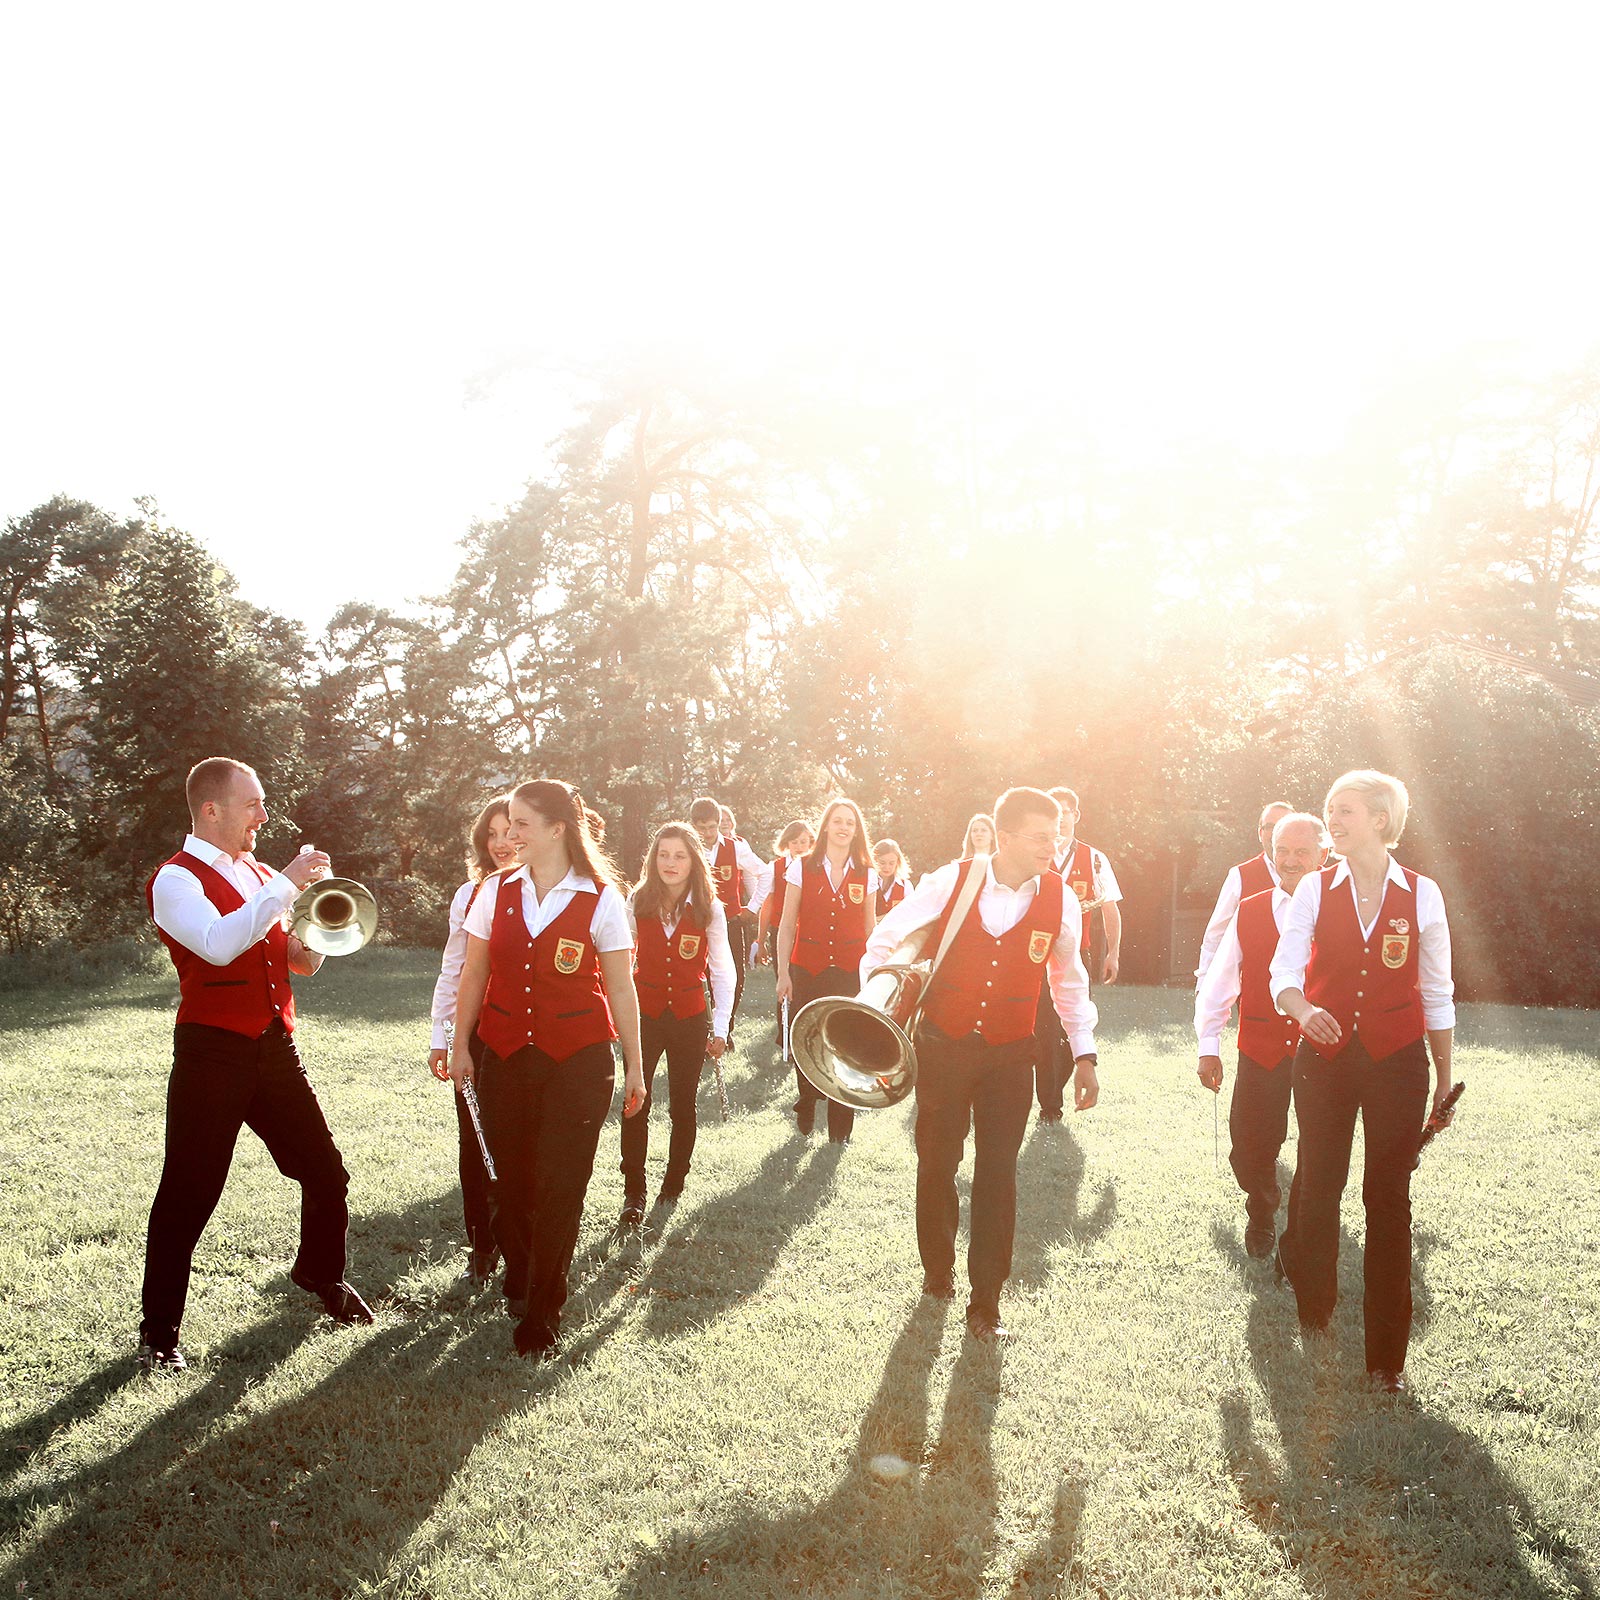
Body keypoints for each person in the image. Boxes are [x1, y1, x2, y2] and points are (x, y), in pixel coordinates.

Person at [140, 757, 373, 1371]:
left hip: (275, 1047)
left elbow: (299, 963)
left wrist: (320, 923)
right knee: (189, 1193)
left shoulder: (262, 873)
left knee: (326, 1171)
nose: (263, 817)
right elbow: (217, 946)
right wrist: (286, 885)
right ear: (211, 810)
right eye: (253, 805)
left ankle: (320, 1277)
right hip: (212, 1052)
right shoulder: (175, 879)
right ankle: (158, 1333)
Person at [865, 787, 1098, 1342]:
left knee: (998, 1172)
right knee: (937, 1160)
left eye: (1057, 835)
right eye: (1043, 836)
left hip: (1012, 1055)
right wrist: (875, 1010)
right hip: (943, 1046)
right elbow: (885, 939)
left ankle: (986, 1301)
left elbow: (1069, 981)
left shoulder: (1061, 898)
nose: (1053, 846)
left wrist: (1084, 1053)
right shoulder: (952, 879)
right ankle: (937, 1274)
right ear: (1007, 835)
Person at [1269, 770, 1456, 1394]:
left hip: (1399, 1062)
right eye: (1330, 810)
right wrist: (1303, 1011)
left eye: (1344, 810)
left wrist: (1443, 1080)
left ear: (1380, 819)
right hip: (1322, 1060)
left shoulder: (1422, 894)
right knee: (1319, 1187)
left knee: (1388, 1201)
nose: (1333, 821)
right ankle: (1314, 1317)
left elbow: (1437, 991)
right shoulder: (1315, 890)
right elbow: (1283, 971)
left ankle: (1385, 1360)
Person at [450, 778, 647, 1358]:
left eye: (521, 825)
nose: (509, 836)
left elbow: (620, 988)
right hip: (505, 1055)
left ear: (558, 828)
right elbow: (474, 974)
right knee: (510, 1182)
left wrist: (635, 1067)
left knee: (563, 1185)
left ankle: (542, 1310)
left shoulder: (602, 898)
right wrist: (459, 1044)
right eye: (507, 825)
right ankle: (523, 1270)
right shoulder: (494, 892)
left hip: (579, 1062)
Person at [1194, 812, 1329, 1258]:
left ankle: (1298, 1233)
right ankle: (1263, 1201)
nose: (1290, 861)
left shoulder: (1342, 911)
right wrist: (1208, 1046)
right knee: (1247, 1145)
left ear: (1323, 856)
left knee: (1319, 1148)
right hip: (1260, 1045)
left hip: (1321, 1050)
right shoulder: (1249, 909)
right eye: (1282, 852)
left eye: (1301, 852)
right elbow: (1221, 980)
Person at [619, 822, 735, 1226]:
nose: (670, 863)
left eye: (680, 855)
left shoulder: (710, 907)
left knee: (684, 1106)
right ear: (653, 859)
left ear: (694, 861)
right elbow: (616, 961)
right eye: (663, 855)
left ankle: (674, 1183)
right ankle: (634, 1190)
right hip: (644, 1016)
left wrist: (720, 1027)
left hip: (688, 1017)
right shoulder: (636, 901)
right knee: (637, 1101)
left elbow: (723, 971)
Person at [427, 794, 518, 1284]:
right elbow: (453, 971)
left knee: (519, 1141)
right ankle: (481, 1246)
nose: (501, 843)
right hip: (476, 1034)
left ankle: (518, 1243)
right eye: (492, 834)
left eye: (510, 832)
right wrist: (443, 1037)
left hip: (527, 1035)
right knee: (474, 1141)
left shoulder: (554, 890)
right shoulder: (470, 894)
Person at [775, 796, 878, 1144]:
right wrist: (783, 973)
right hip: (808, 966)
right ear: (826, 826)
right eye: (838, 820)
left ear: (856, 829)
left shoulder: (867, 872)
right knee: (807, 1037)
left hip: (849, 969)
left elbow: (869, 927)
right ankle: (806, 1099)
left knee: (845, 1044)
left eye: (850, 822)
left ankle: (840, 1130)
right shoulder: (802, 866)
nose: (844, 827)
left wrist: (875, 972)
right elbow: (787, 924)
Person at [1033, 785, 1124, 1122]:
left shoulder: (1094, 858)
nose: (1061, 819)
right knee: (1043, 1028)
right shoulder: (1033, 854)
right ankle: (1050, 1104)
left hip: (1077, 956)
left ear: (1075, 816)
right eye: (1054, 813)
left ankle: (1056, 1086)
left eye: (1066, 812)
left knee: (1067, 1029)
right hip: (1035, 955)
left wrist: (1112, 952)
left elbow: (1110, 908)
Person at [1194, 800, 1294, 986]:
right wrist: (1204, 985)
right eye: (1270, 826)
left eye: (1283, 826)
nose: (1276, 832)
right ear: (1260, 833)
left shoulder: (1315, 877)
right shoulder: (1240, 876)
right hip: (1255, 993)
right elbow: (1216, 936)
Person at [689, 798, 764, 1040]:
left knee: (735, 977)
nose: (707, 833)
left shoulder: (736, 848)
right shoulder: (686, 848)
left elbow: (765, 873)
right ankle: (701, 1031)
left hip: (731, 922)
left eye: (712, 827)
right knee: (700, 977)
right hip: (694, 923)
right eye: (701, 828)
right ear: (692, 825)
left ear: (719, 824)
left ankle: (724, 1031)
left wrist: (751, 908)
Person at [750, 819, 815, 1043]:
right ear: (786, 843)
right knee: (784, 981)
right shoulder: (775, 867)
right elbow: (767, 906)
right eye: (794, 842)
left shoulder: (815, 867)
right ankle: (784, 1036)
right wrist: (760, 940)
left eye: (804, 842)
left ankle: (806, 1036)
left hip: (807, 934)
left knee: (805, 983)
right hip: (782, 932)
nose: (799, 846)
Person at [873, 838, 911, 917]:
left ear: (898, 862)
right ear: (874, 860)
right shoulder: (868, 882)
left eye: (891, 863)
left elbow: (910, 912)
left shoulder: (905, 885)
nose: (887, 867)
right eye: (882, 863)